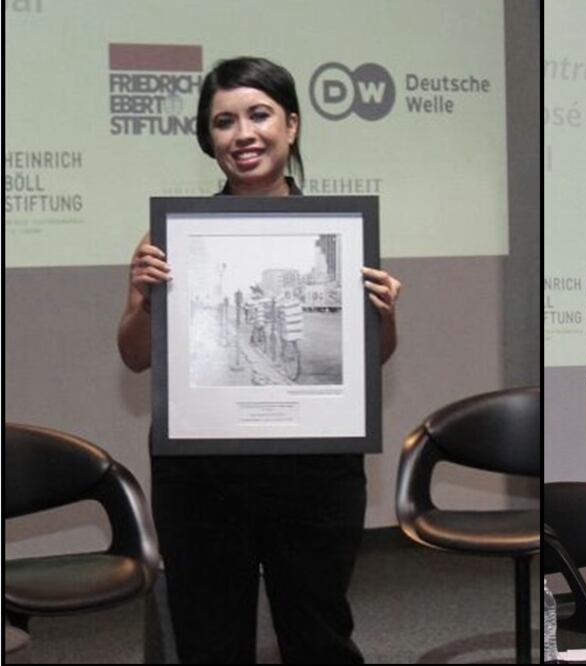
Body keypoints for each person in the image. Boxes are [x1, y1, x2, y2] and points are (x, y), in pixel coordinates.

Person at [117, 56, 402, 664]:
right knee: (209, 640)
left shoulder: (340, 233)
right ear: (209, 139)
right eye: (224, 122)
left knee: (319, 636)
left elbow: (371, 361)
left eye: (259, 115)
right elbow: (135, 356)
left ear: (291, 125)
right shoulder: (169, 239)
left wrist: (384, 315)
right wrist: (143, 299)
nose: (243, 134)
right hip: (201, 476)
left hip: (316, 471)